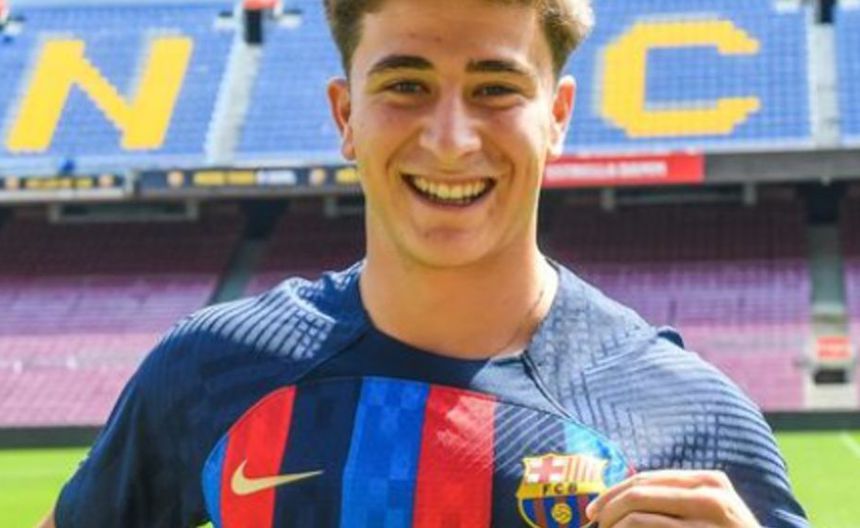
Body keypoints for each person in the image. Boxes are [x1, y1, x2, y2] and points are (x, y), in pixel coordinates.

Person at [43, 0, 809, 526]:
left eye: (495, 88)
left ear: (557, 117)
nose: (450, 140)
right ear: (346, 114)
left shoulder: (695, 417)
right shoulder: (211, 368)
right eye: (406, 85)